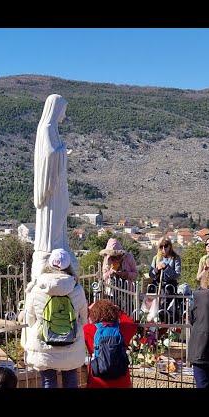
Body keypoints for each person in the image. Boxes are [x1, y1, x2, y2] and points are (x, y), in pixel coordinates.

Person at [23, 248, 87, 388]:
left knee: (48, 381)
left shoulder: (37, 288)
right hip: (71, 342)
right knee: (70, 378)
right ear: (68, 265)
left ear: (49, 264)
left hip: (44, 342)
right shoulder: (77, 289)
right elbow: (84, 318)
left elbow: (30, 318)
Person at [31, 94, 78, 280]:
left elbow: (53, 154)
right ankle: (50, 247)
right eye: (63, 111)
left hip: (57, 186)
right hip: (51, 190)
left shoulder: (53, 129)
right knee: (53, 218)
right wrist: (63, 152)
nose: (64, 116)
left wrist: (63, 152)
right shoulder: (46, 129)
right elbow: (48, 156)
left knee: (60, 216)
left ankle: (59, 245)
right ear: (56, 109)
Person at [83, 299, 137, 388]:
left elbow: (79, 322)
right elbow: (131, 322)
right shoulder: (123, 329)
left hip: (97, 381)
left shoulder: (88, 329)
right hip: (122, 381)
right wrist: (119, 310)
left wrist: (89, 311)